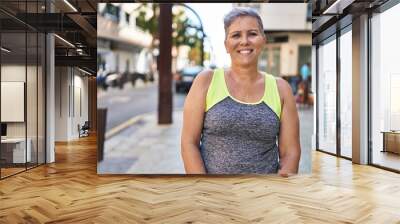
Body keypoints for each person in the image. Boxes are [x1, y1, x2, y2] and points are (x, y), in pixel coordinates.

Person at [181, 7, 301, 176]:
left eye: (252, 33)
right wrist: (204, 189)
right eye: (236, 35)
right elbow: (188, 143)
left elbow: (291, 152)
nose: (244, 41)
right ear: (226, 45)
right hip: (214, 196)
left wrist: (279, 190)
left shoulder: (281, 89)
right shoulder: (206, 81)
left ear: (263, 40)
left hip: (264, 196)